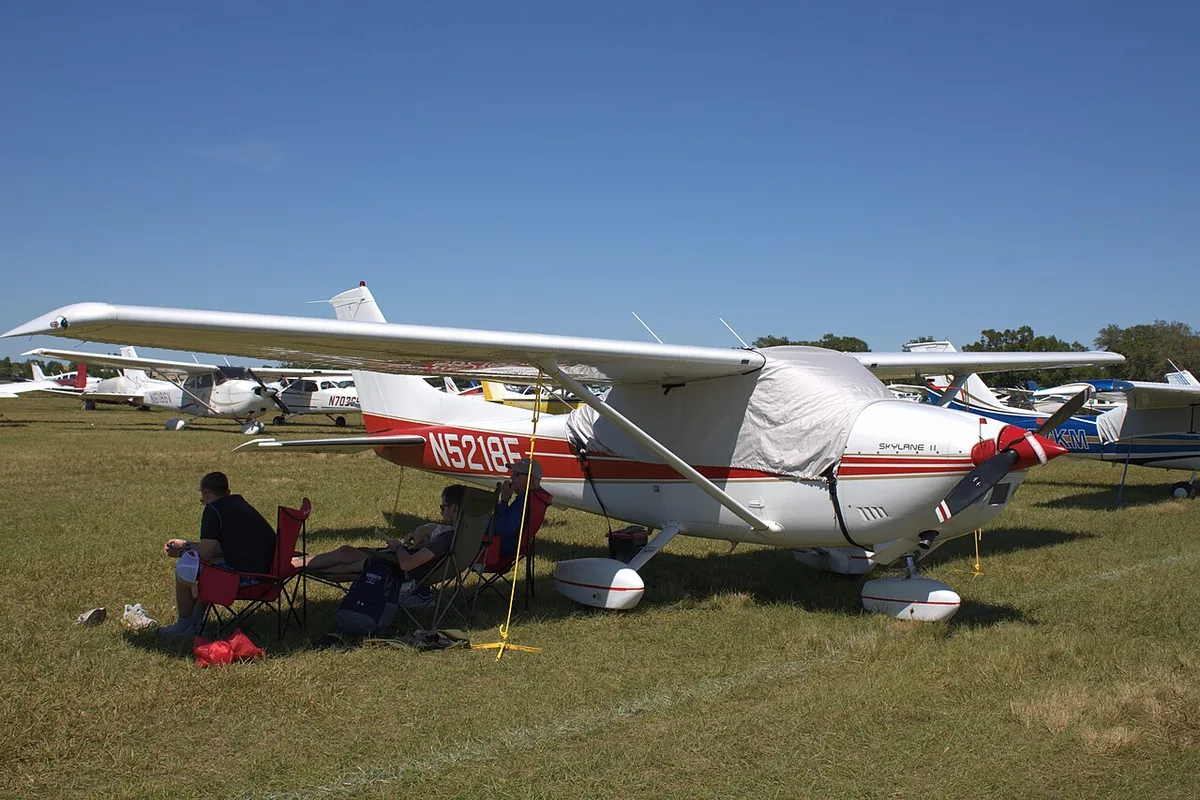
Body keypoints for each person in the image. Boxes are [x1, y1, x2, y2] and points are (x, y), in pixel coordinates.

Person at [158, 472, 276, 638]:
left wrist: (180, 553)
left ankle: (183, 624)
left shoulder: (213, 510)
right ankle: (196, 622)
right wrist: (187, 544)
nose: (203, 501)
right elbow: (221, 549)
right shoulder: (239, 503)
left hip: (250, 577)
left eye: (202, 498)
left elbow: (205, 554)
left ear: (207, 494)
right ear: (228, 492)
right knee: (210, 565)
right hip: (269, 570)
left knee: (185, 568)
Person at [295, 484, 466, 583]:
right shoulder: (462, 534)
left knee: (346, 564)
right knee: (346, 552)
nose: (441, 511)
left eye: (443, 507)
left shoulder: (447, 538)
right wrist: (422, 538)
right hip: (399, 561)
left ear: (453, 508)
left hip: (397, 569)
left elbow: (408, 564)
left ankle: (295, 565)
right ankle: (297, 562)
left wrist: (397, 546)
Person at [492, 459, 553, 559]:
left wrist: (503, 501)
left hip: (497, 548)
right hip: (503, 545)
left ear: (532, 479)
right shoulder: (532, 498)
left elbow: (501, 528)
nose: (512, 477)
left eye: (516, 474)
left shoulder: (526, 502)